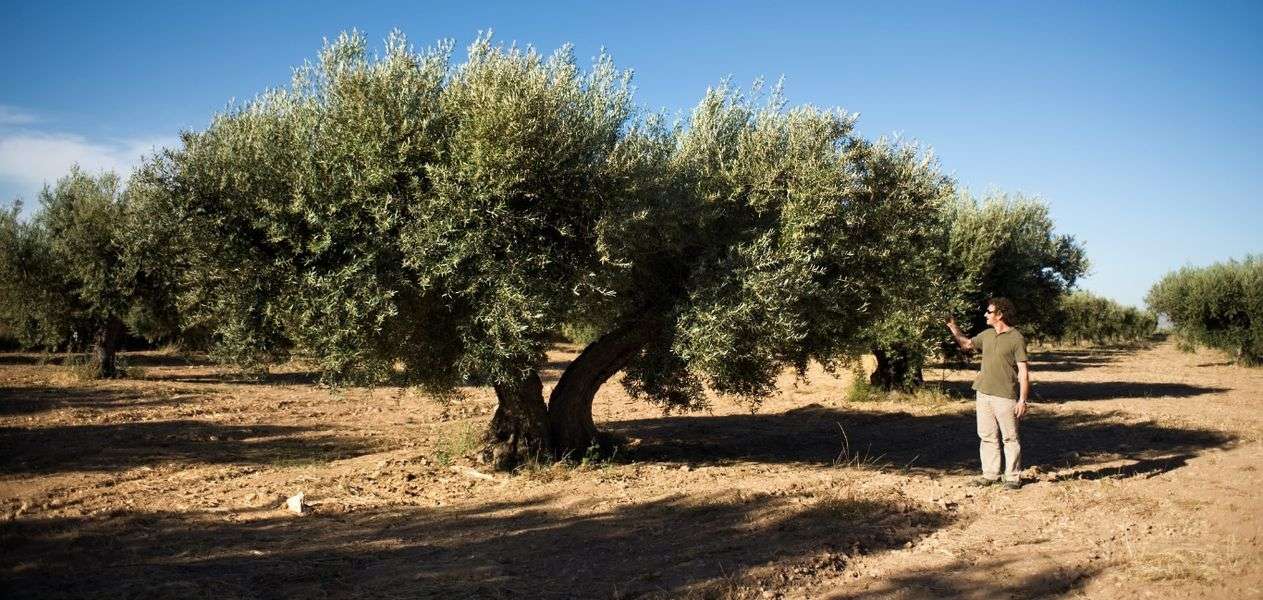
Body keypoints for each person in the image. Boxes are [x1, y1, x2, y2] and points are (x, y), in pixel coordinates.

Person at [946, 297, 1030, 490]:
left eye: (989, 312)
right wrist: (952, 326)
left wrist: (1022, 400)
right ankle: (990, 474)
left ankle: (1013, 477)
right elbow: (966, 344)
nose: (985, 314)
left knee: (1010, 437)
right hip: (983, 393)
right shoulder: (987, 335)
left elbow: (1024, 372)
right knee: (987, 435)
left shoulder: (1016, 338)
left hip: (1005, 396)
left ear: (1000, 314)